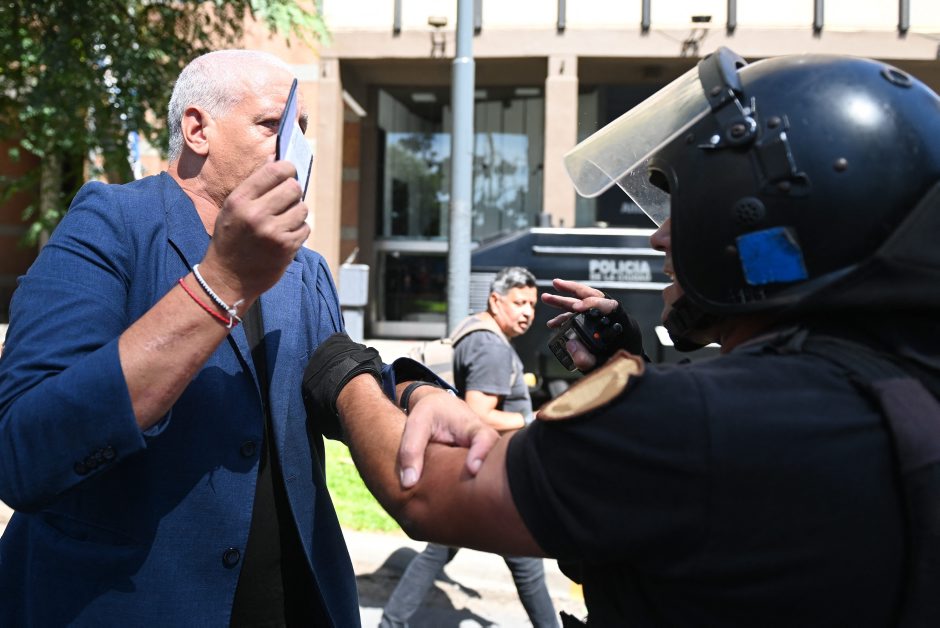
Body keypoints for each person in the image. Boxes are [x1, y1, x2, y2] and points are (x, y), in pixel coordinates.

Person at [303, 47, 940, 627]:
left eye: (682, 206)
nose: (659, 237)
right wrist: (624, 368)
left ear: (754, 222)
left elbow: (426, 491)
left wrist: (348, 371)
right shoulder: (904, 390)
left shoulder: (690, 423)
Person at [0, 49, 495, 627]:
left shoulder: (305, 268)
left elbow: (334, 376)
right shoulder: (111, 222)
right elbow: (23, 449)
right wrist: (221, 282)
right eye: (272, 125)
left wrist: (415, 393)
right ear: (197, 130)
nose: (295, 147)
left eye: (302, 129)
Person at [380, 266, 558, 628]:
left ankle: (391, 623)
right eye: (519, 303)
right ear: (495, 300)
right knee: (527, 566)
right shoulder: (492, 347)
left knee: (439, 551)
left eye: (532, 305)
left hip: (469, 467)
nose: (527, 312)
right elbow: (479, 415)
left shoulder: (472, 329)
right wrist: (534, 417)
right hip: (496, 474)